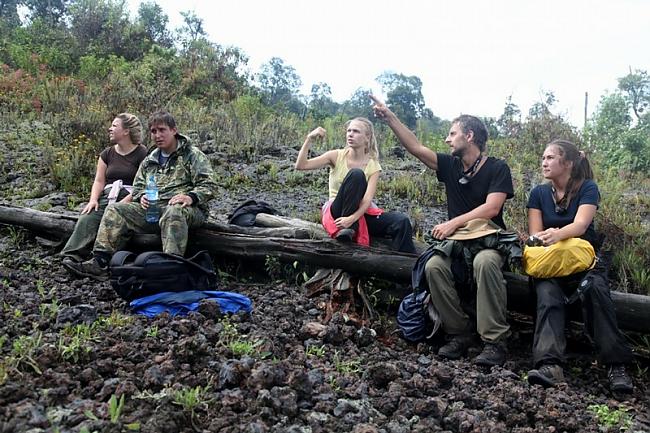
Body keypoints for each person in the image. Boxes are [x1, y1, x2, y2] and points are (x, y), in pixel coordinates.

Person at [372, 95, 514, 366]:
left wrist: (454, 222)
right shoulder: (450, 166)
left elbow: (492, 208)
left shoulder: (497, 168)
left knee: (484, 263)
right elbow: (415, 147)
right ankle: (459, 332)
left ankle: (494, 341)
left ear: (469, 135)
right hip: (457, 242)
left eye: (452, 134)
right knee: (434, 266)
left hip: (488, 240)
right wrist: (390, 117)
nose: (447, 139)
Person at [525, 139, 634, 393]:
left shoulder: (588, 188)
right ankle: (549, 365)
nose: (544, 162)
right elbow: (534, 233)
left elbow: (581, 225)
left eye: (551, 157)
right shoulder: (539, 194)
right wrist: (544, 239)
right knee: (547, 293)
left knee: (595, 289)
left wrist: (557, 234)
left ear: (569, 163)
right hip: (551, 261)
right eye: (543, 157)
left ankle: (616, 365)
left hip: (584, 262)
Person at [65, 111, 218, 280]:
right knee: (116, 209)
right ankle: (100, 262)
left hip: (186, 209)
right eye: (153, 131)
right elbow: (137, 188)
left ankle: (171, 266)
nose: (157, 135)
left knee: (173, 211)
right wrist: (142, 195)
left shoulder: (192, 155)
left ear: (174, 130)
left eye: (162, 130)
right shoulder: (150, 159)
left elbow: (210, 185)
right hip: (153, 209)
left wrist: (190, 197)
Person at [295, 117, 416, 253]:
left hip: (360, 213)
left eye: (356, 131)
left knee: (402, 221)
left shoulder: (373, 165)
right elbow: (301, 165)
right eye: (349, 131)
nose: (350, 134)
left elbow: (367, 200)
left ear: (367, 137)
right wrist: (309, 139)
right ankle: (348, 230)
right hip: (338, 211)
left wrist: (352, 218)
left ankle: (407, 264)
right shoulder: (336, 156)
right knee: (357, 175)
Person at [61, 113, 148, 267]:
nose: (110, 129)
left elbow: (145, 184)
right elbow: (99, 180)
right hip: (107, 196)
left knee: (116, 224)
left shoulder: (142, 154)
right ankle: (72, 255)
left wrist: (124, 203)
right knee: (87, 218)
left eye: (114, 126)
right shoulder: (107, 153)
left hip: (130, 197)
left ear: (126, 131)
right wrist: (93, 200)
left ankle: (99, 261)